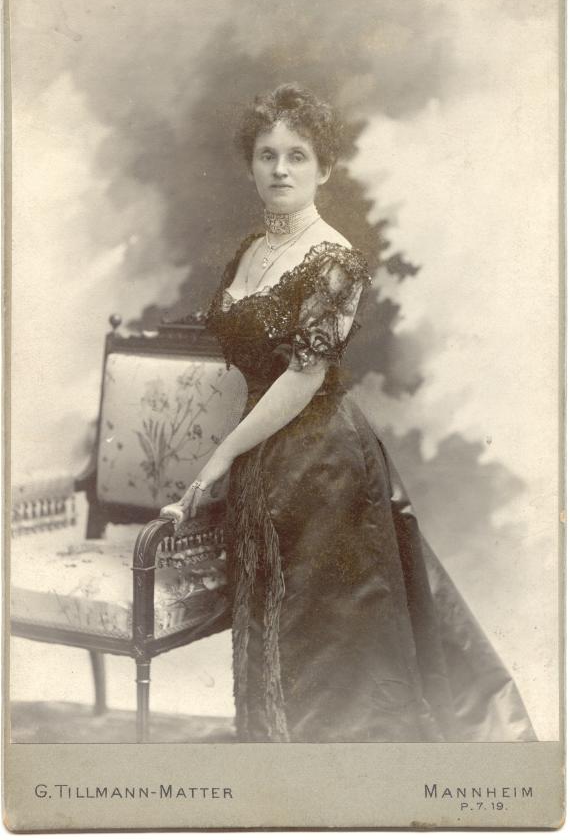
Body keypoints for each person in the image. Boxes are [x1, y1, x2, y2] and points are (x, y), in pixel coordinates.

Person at [160, 83, 536, 743]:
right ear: (250, 162)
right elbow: (241, 335)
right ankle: (280, 773)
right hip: (262, 458)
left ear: (324, 168)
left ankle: (341, 783)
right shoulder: (252, 248)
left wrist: (218, 456)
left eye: (297, 156)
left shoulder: (333, 259)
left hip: (321, 460)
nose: (280, 169)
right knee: (274, 625)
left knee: (329, 643)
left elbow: (303, 377)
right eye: (267, 154)